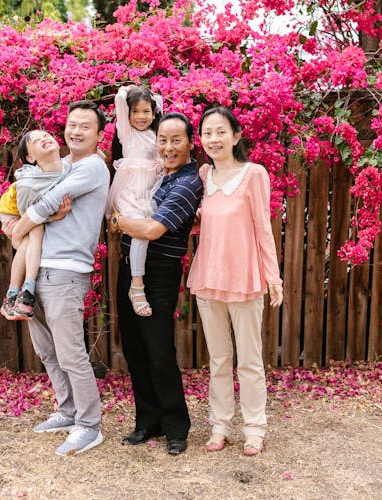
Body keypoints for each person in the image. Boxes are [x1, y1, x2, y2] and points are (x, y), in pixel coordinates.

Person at [10, 101, 109, 456]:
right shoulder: (61, 164)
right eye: (71, 124)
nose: (76, 131)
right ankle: (67, 411)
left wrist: (19, 229)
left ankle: (89, 425)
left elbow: (48, 200)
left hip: (66, 271)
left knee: (71, 354)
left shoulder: (93, 167)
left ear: (99, 134)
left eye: (86, 126)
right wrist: (16, 222)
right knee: (48, 351)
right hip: (37, 270)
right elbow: (23, 194)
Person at [187, 105, 284, 457]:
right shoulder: (201, 175)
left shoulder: (253, 174)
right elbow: (202, 223)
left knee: (250, 360)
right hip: (208, 278)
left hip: (244, 278)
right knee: (219, 359)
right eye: (207, 132)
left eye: (220, 131)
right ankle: (220, 425)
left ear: (236, 136)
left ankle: (254, 428)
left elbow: (263, 227)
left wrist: (273, 276)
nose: (213, 138)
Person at [109, 112, 203, 455]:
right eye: (162, 139)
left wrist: (119, 220)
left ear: (191, 143)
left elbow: (151, 230)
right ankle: (148, 421)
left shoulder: (187, 183)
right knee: (134, 348)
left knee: (159, 352)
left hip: (158, 273)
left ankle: (177, 426)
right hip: (129, 268)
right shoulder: (157, 176)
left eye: (176, 140)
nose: (167, 147)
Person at [0, 131, 69, 321]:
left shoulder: (66, 167)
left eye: (46, 135)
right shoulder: (29, 185)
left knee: (34, 233)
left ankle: (14, 296)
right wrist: (54, 218)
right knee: (35, 232)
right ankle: (23, 290)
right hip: (13, 214)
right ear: (30, 157)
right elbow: (28, 217)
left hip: (30, 213)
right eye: (36, 141)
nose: (44, 139)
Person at [107, 85, 164, 317]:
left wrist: (156, 100)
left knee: (148, 229)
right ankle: (136, 284)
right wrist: (129, 89)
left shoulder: (156, 135)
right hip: (129, 190)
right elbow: (120, 100)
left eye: (147, 111)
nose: (141, 117)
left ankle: (138, 280)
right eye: (136, 112)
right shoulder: (127, 134)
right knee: (141, 230)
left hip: (148, 191)